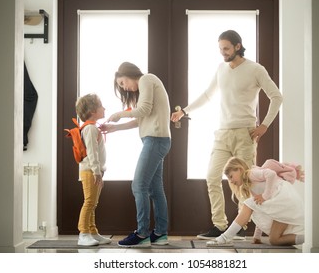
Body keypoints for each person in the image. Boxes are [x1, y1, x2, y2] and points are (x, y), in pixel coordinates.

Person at [171, 30, 283, 239]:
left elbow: (276, 96)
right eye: (220, 49)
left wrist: (265, 125)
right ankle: (220, 225)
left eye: (226, 48)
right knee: (212, 176)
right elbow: (207, 95)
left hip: (245, 133)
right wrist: (184, 111)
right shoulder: (221, 69)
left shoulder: (255, 69)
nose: (222, 52)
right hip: (222, 132)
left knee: (245, 181)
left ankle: (241, 225)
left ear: (237, 46)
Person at [100, 62, 171, 248]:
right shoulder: (147, 85)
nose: (125, 88)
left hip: (155, 140)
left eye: (123, 83)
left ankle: (142, 234)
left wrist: (119, 114)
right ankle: (160, 234)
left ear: (129, 74)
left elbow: (143, 110)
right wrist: (115, 128)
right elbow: (141, 119)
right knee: (155, 190)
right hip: (155, 140)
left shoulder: (147, 79)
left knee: (138, 185)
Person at [207, 157, 304, 246]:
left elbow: (271, 174)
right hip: (282, 204)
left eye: (231, 176)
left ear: (239, 169)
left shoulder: (251, 173)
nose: (231, 181)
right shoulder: (251, 187)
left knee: (248, 204)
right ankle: (307, 238)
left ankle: (225, 237)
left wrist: (265, 196)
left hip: (283, 198)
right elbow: (259, 209)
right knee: (274, 240)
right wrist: (257, 236)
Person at [75, 93, 112, 246]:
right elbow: (92, 152)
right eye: (101, 106)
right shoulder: (90, 129)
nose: (104, 108)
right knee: (89, 202)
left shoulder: (92, 128)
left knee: (93, 203)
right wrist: (97, 172)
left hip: (94, 171)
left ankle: (93, 232)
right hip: (91, 171)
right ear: (92, 111)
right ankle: (83, 234)